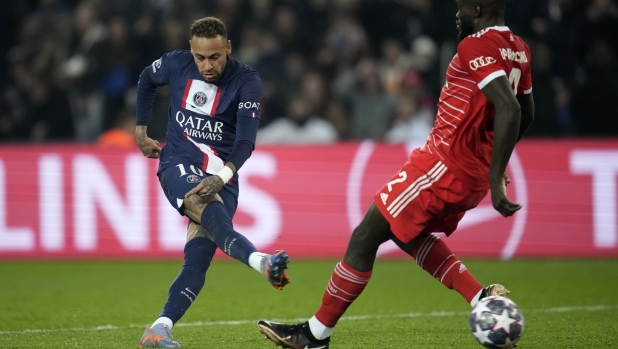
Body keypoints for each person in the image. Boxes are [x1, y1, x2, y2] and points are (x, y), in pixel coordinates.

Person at [257, 0, 534, 348]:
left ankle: (314, 335)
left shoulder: (474, 44)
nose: (457, 12)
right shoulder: (519, 49)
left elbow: (509, 108)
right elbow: (527, 112)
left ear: (476, 9)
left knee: (364, 236)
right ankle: (479, 296)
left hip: (444, 166)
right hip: (466, 169)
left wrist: (497, 178)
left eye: (461, 6)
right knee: (404, 231)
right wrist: (496, 161)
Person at [135, 17, 290, 348]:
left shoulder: (247, 81)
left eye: (215, 57)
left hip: (223, 174)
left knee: (199, 258)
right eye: (200, 57)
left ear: (227, 48)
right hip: (177, 162)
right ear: (191, 50)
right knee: (205, 207)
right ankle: (262, 262)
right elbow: (147, 79)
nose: (207, 65)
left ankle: (158, 329)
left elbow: (246, 142)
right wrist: (140, 129)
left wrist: (221, 177)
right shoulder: (176, 63)